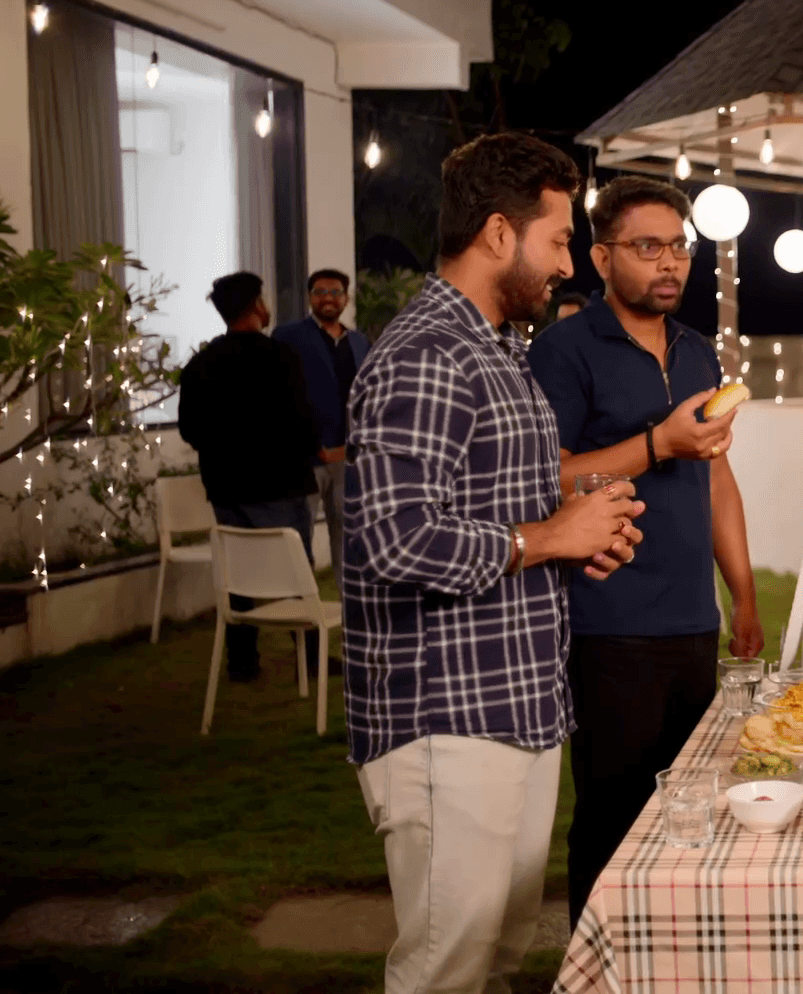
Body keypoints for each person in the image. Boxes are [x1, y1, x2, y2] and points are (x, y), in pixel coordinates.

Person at [343, 132, 645, 994]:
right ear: (499, 234)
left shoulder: (497, 350)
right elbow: (394, 537)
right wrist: (550, 539)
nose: (566, 266)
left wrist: (584, 529)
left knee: (498, 958)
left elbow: (493, 505)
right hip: (446, 719)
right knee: (446, 967)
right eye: (557, 241)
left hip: (515, 704)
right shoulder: (428, 354)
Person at [528, 174, 763, 926]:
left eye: (680, 248)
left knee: (694, 812)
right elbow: (550, 476)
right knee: (612, 817)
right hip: (608, 620)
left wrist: (744, 596)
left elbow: (717, 475)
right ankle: (593, 964)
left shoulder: (697, 352)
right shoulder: (564, 350)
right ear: (602, 258)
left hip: (692, 620)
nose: (669, 263)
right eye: (647, 247)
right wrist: (660, 442)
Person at [177, 271, 320, 682]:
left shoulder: (201, 364)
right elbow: (303, 422)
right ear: (257, 305)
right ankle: (308, 658)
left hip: (226, 488)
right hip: (282, 485)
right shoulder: (281, 358)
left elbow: (190, 429)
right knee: (297, 573)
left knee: (238, 573)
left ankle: (242, 661)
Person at [273, 269, 370, 592]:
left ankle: (349, 603)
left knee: (347, 531)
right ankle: (299, 601)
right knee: (299, 530)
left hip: (348, 457)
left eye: (335, 292)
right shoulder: (288, 337)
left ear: (346, 298)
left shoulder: (358, 342)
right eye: (320, 291)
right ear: (309, 297)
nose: (328, 298)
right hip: (306, 458)